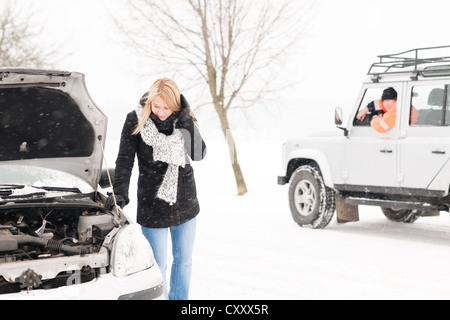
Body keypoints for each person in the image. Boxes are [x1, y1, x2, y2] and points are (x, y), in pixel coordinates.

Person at [106, 78, 207, 300]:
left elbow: (198, 154)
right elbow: (125, 159)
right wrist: (120, 191)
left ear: (176, 105)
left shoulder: (183, 120)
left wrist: (186, 122)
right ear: (149, 101)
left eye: (166, 107)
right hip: (152, 201)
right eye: (156, 106)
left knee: (184, 261)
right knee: (158, 265)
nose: (161, 112)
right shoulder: (136, 119)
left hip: (185, 199)